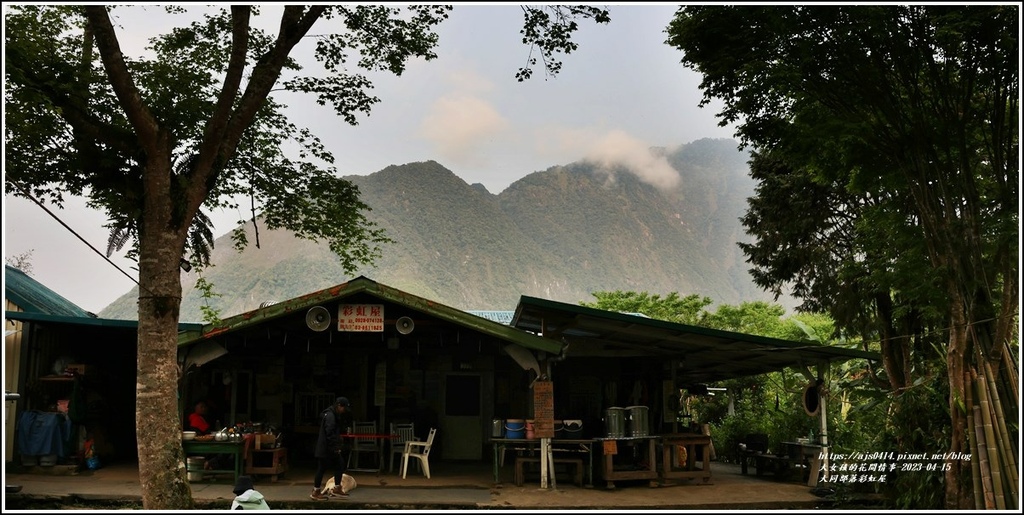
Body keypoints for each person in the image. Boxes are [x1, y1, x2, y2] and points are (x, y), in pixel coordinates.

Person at [311, 396, 354, 500]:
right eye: (343, 408)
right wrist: (335, 447)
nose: (344, 411)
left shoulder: (330, 414)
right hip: (327, 448)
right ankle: (317, 491)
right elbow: (329, 433)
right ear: (339, 406)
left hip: (326, 447)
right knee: (327, 467)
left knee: (337, 465)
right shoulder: (330, 416)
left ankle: (334, 488)